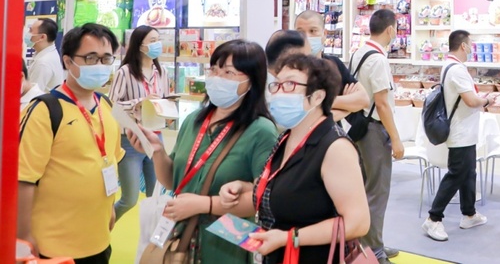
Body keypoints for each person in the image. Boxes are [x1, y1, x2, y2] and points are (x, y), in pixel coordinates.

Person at [128, 40, 279, 263]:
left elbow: (262, 199)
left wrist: (204, 204)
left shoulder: (261, 131)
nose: (217, 78)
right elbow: (173, 181)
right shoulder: (194, 121)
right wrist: (157, 152)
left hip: (227, 244)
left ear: (251, 81)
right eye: (214, 70)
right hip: (182, 236)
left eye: (228, 72)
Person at [218, 54, 370, 263]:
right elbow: (292, 189)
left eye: (290, 85)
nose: (279, 93)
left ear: (317, 97)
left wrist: (289, 238)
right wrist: (244, 188)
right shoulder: (287, 137)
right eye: (276, 85)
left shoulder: (335, 148)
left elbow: (358, 223)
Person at [18, 23, 123, 263]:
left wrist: (110, 208)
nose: (100, 65)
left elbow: (110, 162)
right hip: (53, 246)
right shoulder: (45, 110)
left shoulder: (107, 106)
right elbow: (24, 179)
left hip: (98, 240)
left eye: (106, 59)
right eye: (90, 58)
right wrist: (23, 236)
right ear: (68, 61)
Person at [422, 30, 495, 243]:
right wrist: (487, 100)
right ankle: (433, 218)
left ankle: (469, 214)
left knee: (468, 173)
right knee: (456, 174)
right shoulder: (457, 70)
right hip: (460, 131)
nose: (471, 48)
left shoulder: (450, 66)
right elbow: (471, 101)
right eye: (470, 44)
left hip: (466, 132)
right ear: (463, 46)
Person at [351, 8, 404, 264]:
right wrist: (396, 138)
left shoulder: (358, 53)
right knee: (377, 191)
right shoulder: (379, 60)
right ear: (390, 30)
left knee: (364, 189)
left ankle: (366, 244)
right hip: (374, 131)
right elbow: (382, 103)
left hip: (359, 128)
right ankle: (374, 251)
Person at [109, 25, 170, 220]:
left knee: (156, 196)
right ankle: (104, 225)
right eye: (152, 41)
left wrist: (167, 107)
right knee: (129, 198)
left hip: (155, 138)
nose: (157, 44)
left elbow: (165, 98)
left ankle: (151, 235)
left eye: (158, 40)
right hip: (131, 139)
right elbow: (112, 104)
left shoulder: (162, 72)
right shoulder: (125, 72)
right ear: (140, 45)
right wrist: (140, 102)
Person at [295, 11, 370, 120]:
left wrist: (321, 102)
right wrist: (346, 107)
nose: (307, 37)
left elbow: (363, 100)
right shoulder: (291, 69)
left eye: (313, 31)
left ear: (324, 34)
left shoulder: (334, 64)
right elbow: (303, 117)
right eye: (300, 32)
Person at [26, 18, 63, 91]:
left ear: (42, 37)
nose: (28, 34)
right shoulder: (44, 53)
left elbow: (33, 93)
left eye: (31, 30)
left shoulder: (43, 63)